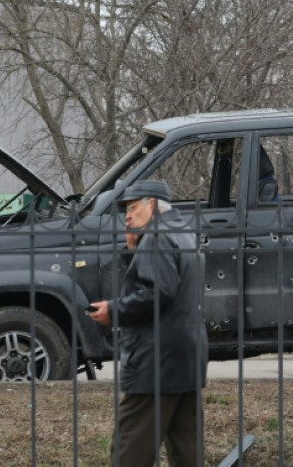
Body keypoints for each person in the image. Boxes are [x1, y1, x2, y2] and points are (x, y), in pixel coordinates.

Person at [88, 179, 209, 467]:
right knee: (186, 447)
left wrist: (113, 310)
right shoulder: (184, 233)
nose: (127, 217)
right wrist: (134, 248)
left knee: (130, 448)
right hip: (186, 356)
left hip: (156, 360)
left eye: (132, 208)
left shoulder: (157, 237)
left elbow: (156, 292)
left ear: (151, 205)